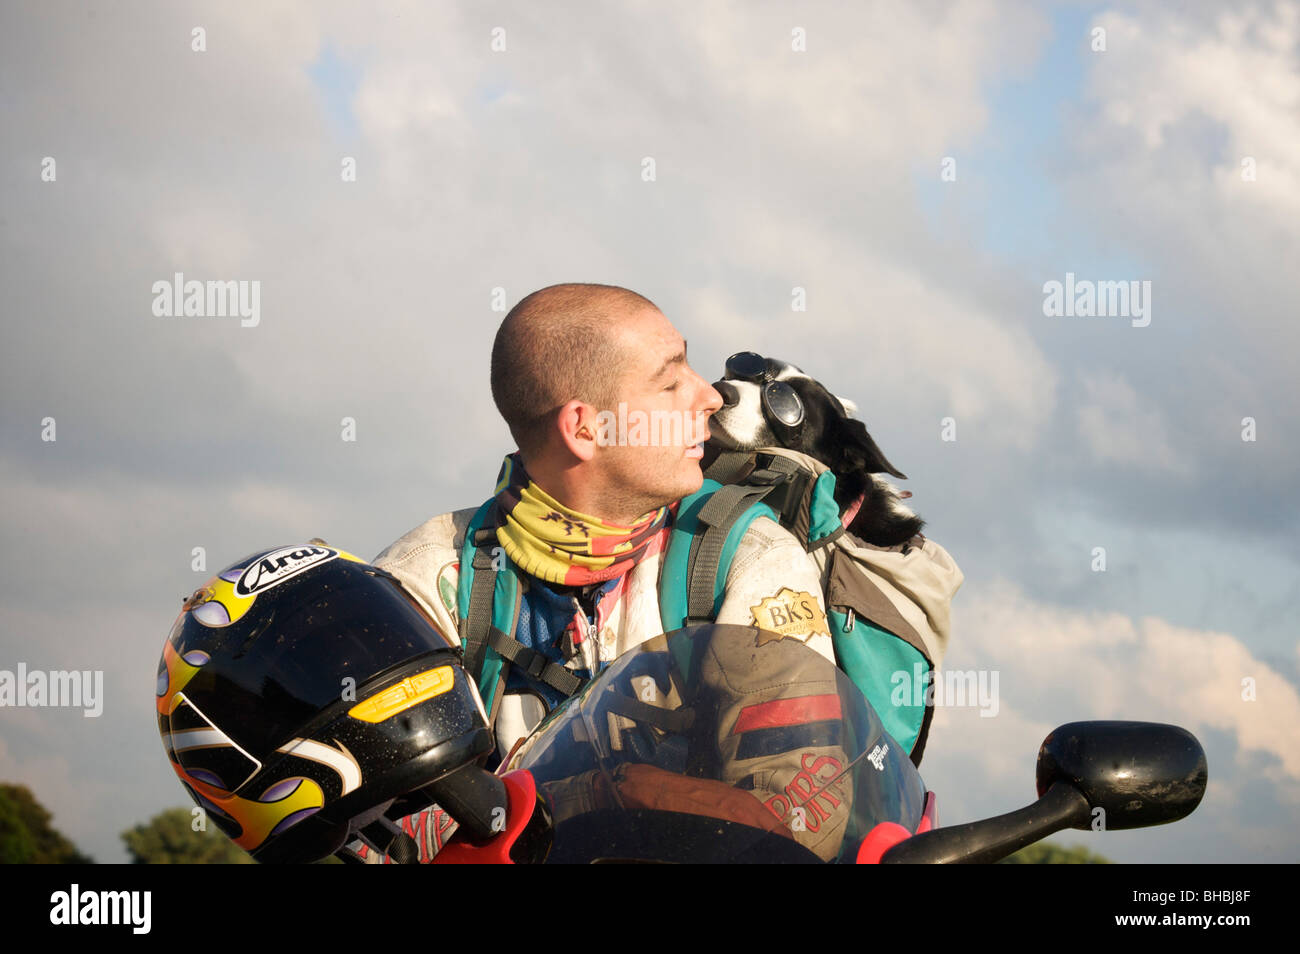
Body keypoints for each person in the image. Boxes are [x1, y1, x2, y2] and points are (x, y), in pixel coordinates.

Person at [372, 283, 837, 761]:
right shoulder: (426, 583)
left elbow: (797, 794)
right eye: (670, 382)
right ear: (585, 428)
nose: (710, 395)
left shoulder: (749, 557)